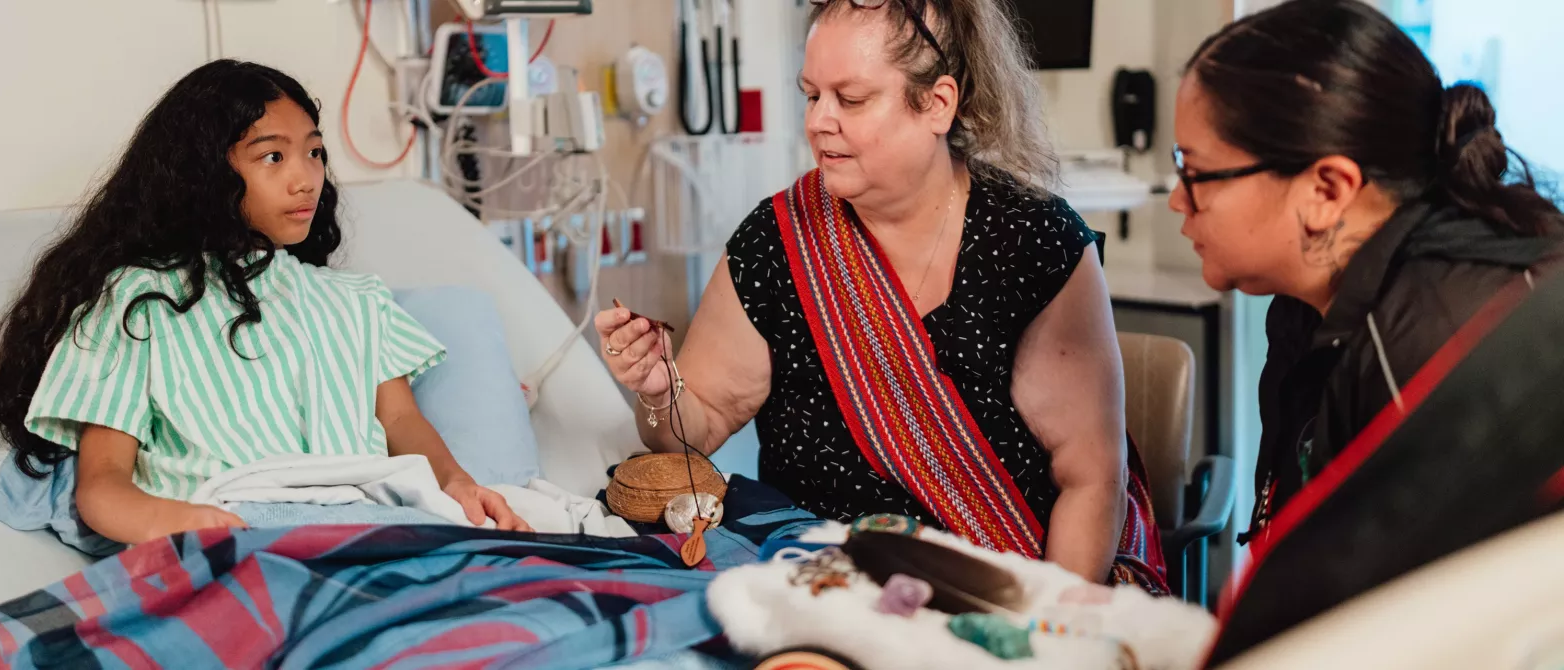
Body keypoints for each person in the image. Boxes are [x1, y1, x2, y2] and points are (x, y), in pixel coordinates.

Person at [597, 0, 1167, 590]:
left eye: (852, 99)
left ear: (937, 104)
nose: (819, 121)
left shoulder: (1032, 242)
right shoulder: (777, 242)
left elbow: (1092, 480)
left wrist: (1043, 631)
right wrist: (660, 390)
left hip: (1003, 593)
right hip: (828, 592)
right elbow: (692, 428)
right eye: (812, 95)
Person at [0, 60, 529, 546]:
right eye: (273, 156)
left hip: (374, 526)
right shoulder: (139, 302)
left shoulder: (356, 300)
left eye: (314, 152)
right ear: (201, 174)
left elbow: (400, 420)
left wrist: (458, 484)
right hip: (236, 530)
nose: (306, 179)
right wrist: (178, 524)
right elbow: (103, 485)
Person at [1168, 0, 1564, 546]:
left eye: (1196, 173)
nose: (1176, 200)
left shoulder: (1428, 349)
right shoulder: (1310, 307)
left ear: (1327, 190)